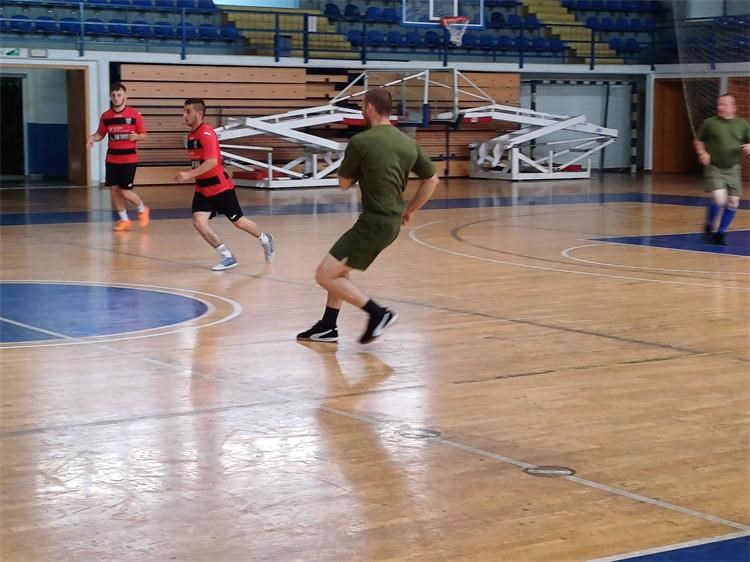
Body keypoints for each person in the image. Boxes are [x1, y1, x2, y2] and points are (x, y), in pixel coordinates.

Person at [296, 88, 439, 345]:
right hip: (390, 222)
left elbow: (343, 183)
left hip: (373, 222)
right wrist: (410, 209)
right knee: (339, 268)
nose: (361, 109)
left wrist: (357, 168)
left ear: (370, 107)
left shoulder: (361, 141)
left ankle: (378, 314)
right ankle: (328, 326)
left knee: (324, 275)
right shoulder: (408, 142)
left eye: (362, 105)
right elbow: (432, 180)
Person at [176, 98, 275, 271]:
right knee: (199, 222)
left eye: (188, 111)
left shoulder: (206, 133)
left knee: (239, 222)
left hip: (220, 188)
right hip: (203, 189)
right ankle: (227, 256)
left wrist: (188, 175)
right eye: (183, 111)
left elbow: (212, 162)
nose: (184, 115)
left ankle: (265, 239)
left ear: (199, 113)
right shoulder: (191, 135)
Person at [87, 82, 149, 232]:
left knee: (125, 192)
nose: (116, 98)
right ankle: (124, 220)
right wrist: (91, 138)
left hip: (128, 159)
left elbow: (144, 135)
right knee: (114, 190)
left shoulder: (134, 115)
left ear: (125, 96)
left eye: (119, 95)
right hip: (112, 159)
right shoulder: (106, 116)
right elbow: (100, 134)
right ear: (110, 97)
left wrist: (137, 137)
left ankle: (142, 209)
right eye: (113, 95)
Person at [693, 93, 750, 245]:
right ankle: (710, 225)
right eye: (719, 104)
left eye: (724, 104)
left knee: (733, 203)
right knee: (719, 199)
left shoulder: (743, 125)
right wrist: (702, 153)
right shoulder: (709, 123)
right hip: (714, 167)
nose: (720, 107)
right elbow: (699, 141)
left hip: (733, 169)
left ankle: (720, 233)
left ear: (733, 107)